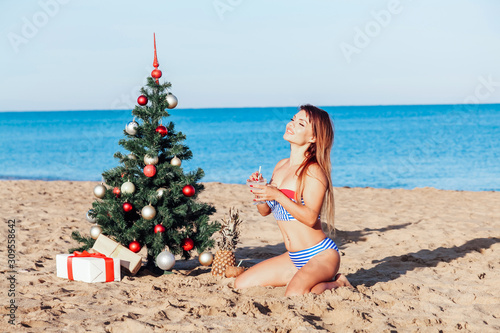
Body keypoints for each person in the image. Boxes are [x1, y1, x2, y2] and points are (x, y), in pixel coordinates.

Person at [234, 104, 351, 296]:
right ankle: (303, 277)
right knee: (241, 284)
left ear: (313, 137)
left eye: (301, 124)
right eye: (293, 119)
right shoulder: (280, 166)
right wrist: (260, 192)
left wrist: (277, 195)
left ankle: (339, 283)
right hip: (294, 257)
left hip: (320, 255)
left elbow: (311, 218)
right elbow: (264, 211)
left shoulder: (313, 171)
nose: (292, 125)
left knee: (295, 295)